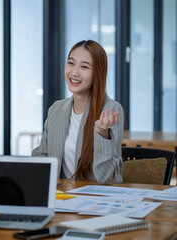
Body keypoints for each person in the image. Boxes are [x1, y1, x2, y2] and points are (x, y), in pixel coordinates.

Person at [32, 40, 124, 184]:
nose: (74, 72)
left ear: (97, 73)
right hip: (62, 198)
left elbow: (105, 178)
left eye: (84, 67)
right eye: (71, 63)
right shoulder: (57, 109)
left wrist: (101, 133)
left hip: (96, 200)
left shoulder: (109, 110)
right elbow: (43, 158)